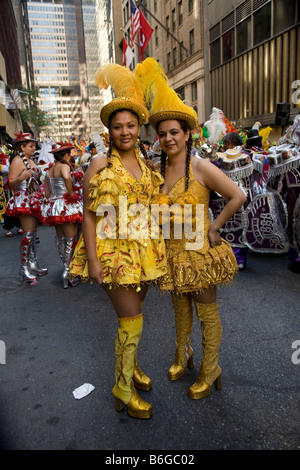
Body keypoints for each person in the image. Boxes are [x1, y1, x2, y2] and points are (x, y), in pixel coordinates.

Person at [135, 58, 246, 399]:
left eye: (175, 133)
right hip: (171, 251)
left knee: (206, 311)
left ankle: (211, 368)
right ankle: (183, 355)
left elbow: (237, 195)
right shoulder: (157, 168)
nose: (168, 138)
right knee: (179, 308)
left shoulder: (201, 166)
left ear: (187, 134)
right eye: (163, 133)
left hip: (198, 250)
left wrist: (215, 227)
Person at [69, 64, 167, 419]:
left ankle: (133, 367)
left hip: (144, 253)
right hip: (112, 255)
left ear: (138, 128)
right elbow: (88, 215)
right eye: (117, 126)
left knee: (135, 317)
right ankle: (122, 390)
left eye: (130, 126)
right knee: (132, 321)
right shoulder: (97, 164)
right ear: (108, 130)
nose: (124, 132)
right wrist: (93, 260)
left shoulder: (146, 163)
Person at [5, 131, 48, 282]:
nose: (33, 148)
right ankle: (24, 268)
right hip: (24, 200)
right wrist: (22, 177)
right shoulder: (18, 160)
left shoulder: (30, 160)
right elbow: (10, 183)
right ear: (21, 147)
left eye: (33, 145)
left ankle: (33, 263)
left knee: (33, 234)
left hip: (33, 199)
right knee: (28, 235)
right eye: (30, 146)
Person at [42, 142, 83, 288]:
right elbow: (66, 176)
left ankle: (66, 268)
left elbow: (47, 193)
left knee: (61, 239)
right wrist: (71, 194)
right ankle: (68, 272)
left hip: (54, 206)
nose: (71, 155)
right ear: (65, 155)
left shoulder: (49, 170)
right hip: (66, 205)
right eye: (69, 153)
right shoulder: (64, 167)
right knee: (71, 239)